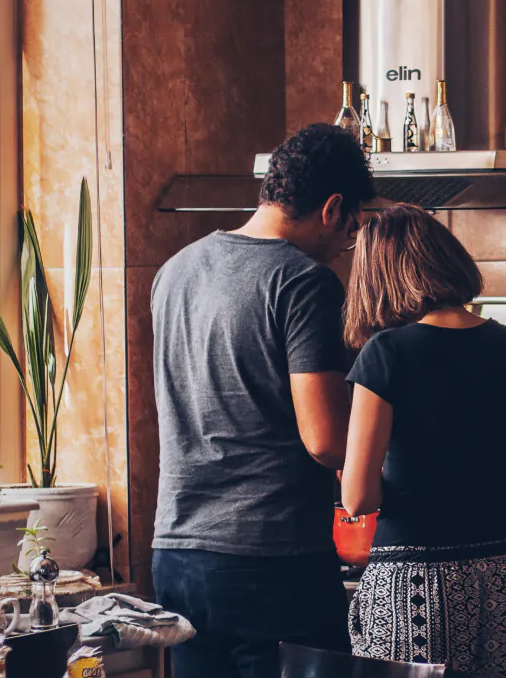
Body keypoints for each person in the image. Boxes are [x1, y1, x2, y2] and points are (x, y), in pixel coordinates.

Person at [149, 124, 375, 678]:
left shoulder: (175, 271)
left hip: (176, 552)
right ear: (332, 208)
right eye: (349, 233)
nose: (343, 250)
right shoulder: (303, 282)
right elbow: (326, 442)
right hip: (270, 559)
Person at [339, 204, 506, 678]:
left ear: (380, 278)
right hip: (502, 571)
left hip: (412, 581)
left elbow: (357, 498)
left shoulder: (386, 353)